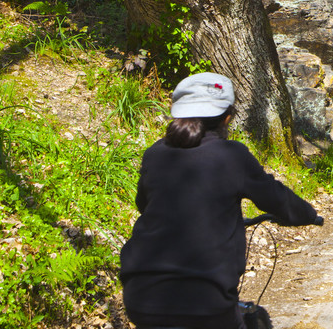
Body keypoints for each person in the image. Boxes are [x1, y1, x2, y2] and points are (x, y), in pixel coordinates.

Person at [120, 73, 320, 329]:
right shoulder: (232, 155)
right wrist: (307, 214)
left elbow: (143, 204)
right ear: (227, 118)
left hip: (140, 296)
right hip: (206, 302)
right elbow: (276, 198)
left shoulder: (155, 154)